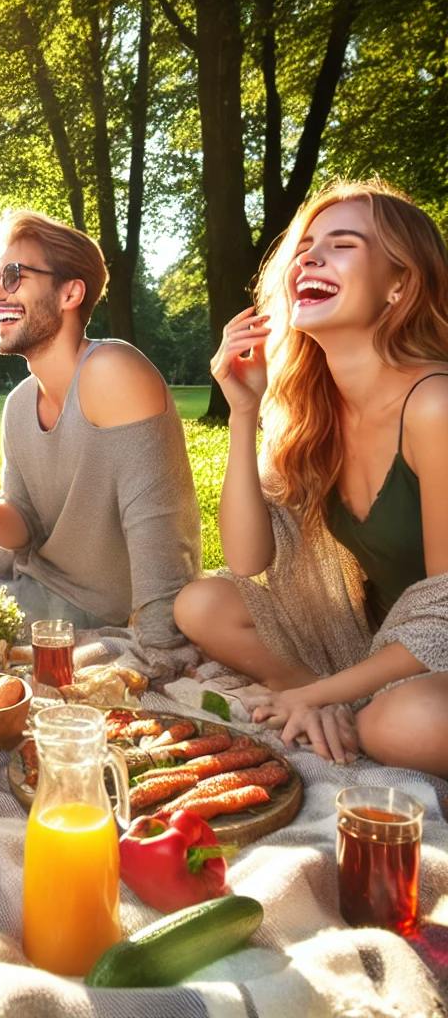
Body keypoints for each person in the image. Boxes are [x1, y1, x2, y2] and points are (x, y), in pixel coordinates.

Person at [173, 179, 448, 777]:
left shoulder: (435, 405)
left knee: (403, 722)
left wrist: (308, 696)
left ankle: (337, 700)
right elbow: (247, 560)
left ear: (400, 284)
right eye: (306, 247)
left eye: (343, 245)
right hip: (375, 644)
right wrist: (245, 410)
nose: (310, 258)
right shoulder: (314, 408)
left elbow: (446, 613)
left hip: (437, 654)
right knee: (201, 600)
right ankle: (338, 696)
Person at [0, 211, 200, 653]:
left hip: (85, 603)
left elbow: (160, 538)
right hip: (39, 563)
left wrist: (159, 642)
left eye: (12, 275)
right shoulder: (18, 404)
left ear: (70, 292)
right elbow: (25, 529)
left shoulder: (113, 373)